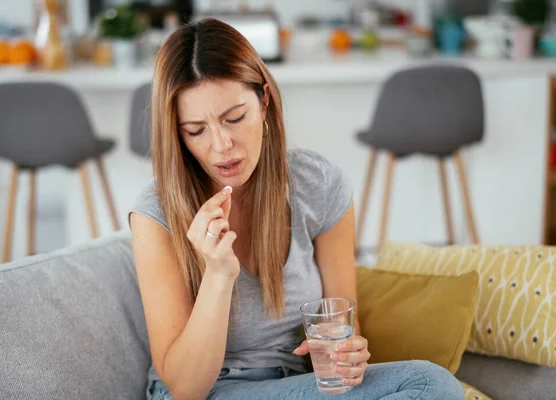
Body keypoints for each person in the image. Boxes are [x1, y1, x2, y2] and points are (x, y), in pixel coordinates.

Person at [129, 18, 464, 400]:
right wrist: (218, 276)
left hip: (300, 386)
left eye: (234, 118)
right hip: (210, 390)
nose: (221, 144)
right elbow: (186, 388)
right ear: (176, 134)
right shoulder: (155, 213)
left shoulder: (317, 184)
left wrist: (349, 355)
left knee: (429, 383)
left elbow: (342, 327)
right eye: (196, 130)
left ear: (265, 100)